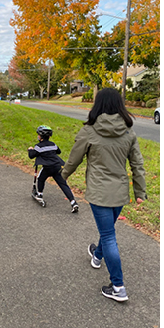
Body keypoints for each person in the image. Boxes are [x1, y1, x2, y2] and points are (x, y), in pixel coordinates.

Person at [62, 88, 147, 302]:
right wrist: (140, 191)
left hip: (99, 192)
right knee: (107, 230)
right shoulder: (128, 132)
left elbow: (74, 159)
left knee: (108, 236)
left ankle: (118, 286)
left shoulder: (89, 130)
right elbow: (137, 164)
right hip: (119, 193)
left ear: (97, 105)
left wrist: (62, 177)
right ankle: (97, 256)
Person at [28, 125, 78, 213]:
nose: (38, 136)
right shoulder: (53, 145)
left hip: (47, 168)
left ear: (41, 136)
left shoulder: (38, 146)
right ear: (49, 136)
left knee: (40, 179)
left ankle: (40, 194)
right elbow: (59, 151)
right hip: (57, 167)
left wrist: (30, 149)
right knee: (63, 184)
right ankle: (73, 202)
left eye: (38, 135)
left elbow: (31, 156)